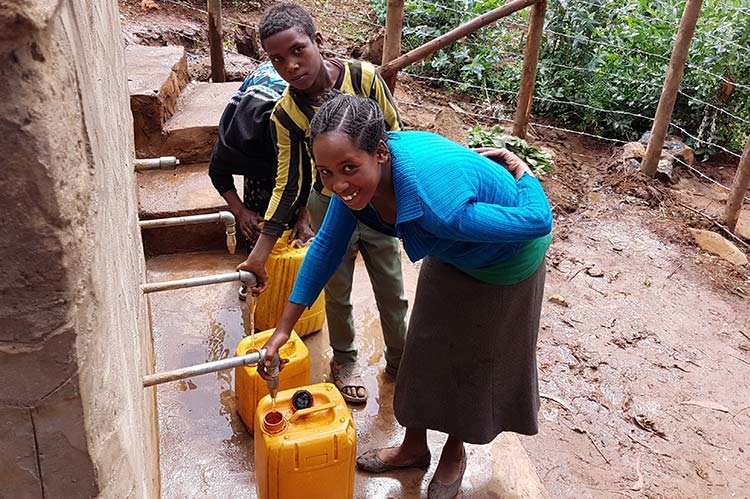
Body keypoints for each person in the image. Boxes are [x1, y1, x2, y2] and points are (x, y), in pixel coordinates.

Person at [257, 94, 553, 499]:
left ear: (380, 152)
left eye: (348, 169)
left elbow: (537, 221)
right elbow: (326, 247)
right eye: (326, 172)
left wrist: (522, 171)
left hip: (504, 262)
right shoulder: (355, 191)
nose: (338, 184)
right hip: (450, 250)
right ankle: (414, 446)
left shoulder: (437, 206)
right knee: (424, 347)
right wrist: (283, 330)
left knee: (475, 360)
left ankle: (454, 452)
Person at [237, 2, 409, 404]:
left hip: (380, 203)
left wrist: (399, 207)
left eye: (298, 50)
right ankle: (345, 360)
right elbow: (290, 181)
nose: (291, 66)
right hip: (329, 204)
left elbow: (397, 140)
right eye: (278, 60)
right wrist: (261, 252)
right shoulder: (286, 114)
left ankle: (402, 358)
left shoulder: (364, 78)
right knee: (336, 287)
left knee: (392, 285)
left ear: (318, 41)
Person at [208, 61, 312, 301]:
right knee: (257, 220)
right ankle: (254, 275)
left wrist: (305, 215)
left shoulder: (303, 126)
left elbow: (315, 176)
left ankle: (293, 287)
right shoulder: (237, 136)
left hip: (294, 139)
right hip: (260, 132)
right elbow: (217, 172)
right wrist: (241, 211)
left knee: (300, 227)